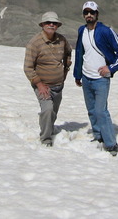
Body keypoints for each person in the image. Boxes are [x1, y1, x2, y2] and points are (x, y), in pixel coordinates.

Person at [73, 1, 118, 156]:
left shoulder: (106, 31)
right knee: (91, 110)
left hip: (101, 79)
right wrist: (78, 75)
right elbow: (79, 53)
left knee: (101, 111)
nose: (89, 15)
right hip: (86, 77)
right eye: (86, 12)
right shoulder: (81, 30)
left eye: (92, 12)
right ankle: (98, 136)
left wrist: (110, 68)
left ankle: (111, 143)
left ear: (97, 14)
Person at [23, 11, 72, 147]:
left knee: (52, 113)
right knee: (47, 110)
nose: (51, 25)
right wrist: (39, 84)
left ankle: (48, 128)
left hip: (58, 85)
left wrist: (66, 69)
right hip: (43, 86)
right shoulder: (35, 43)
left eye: (54, 23)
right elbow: (28, 67)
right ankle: (46, 139)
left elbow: (68, 52)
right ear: (42, 25)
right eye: (48, 22)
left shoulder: (62, 40)